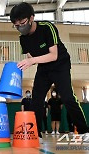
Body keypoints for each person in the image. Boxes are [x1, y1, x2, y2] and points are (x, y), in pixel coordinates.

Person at [10, 2, 89, 143]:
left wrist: (32, 60)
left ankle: (84, 131)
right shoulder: (23, 39)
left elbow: (54, 55)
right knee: (36, 100)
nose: (20, 27)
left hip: (60, 65)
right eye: (16, 25)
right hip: (43, 68)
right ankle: (36, 133)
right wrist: (27, 62)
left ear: (31, 18)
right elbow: (30, 56)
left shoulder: (47, 27)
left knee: (68, 97)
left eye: (22, 23)